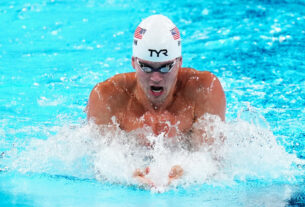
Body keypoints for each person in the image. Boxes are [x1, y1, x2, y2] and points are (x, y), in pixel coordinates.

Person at [86, 15, 226, 188]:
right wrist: (127, 174)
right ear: (133, 62)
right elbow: (100, 161)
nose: (156, 78)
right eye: (146, 67)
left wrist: (189, 171)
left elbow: (212, 159)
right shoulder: (107, 97)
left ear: (179, 63)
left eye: (166, 67)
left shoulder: (204, 90)